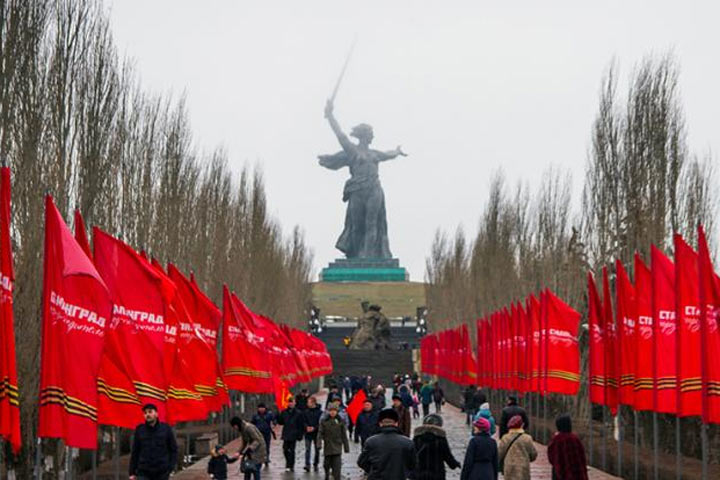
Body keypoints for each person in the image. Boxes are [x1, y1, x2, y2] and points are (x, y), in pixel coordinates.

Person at [357, 408, 416, 479]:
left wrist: (373, 470)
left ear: (380, 424)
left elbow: (361, 462)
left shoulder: (371, 441)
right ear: (396, 423)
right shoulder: (408, 443)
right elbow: (413, 464)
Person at [129, 403, 178, 480]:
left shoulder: (166, 429)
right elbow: (135, 452)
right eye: (145, 413)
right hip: (144, 471)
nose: (147, 415)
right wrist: (132, 472)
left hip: (162, 472)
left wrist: (171, 467)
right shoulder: (140, 430)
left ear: (156, 414)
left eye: (150, 412)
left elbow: (173, 449)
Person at [412, 414, 460, 480]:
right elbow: (447, 455)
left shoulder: (417, 437)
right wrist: (454, 464)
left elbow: (411, 455)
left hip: (419, 474)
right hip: (437, 474)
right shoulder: (441, 439)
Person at [547, 414, 588, 480]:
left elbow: (551, 457)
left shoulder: (556, 439)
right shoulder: (575, 438)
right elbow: (582, 456)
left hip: (561, 472)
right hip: (576, 472)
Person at [498, 415, 537, 480]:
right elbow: (533, 455)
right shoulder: (527, 438)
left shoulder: (505, 438)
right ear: (521, 425)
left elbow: (499, 454)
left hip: (509, 467)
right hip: (523, 467)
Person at [317, 404, 350, 480]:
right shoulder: (324, 421)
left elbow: (344, 435)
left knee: (337, 467)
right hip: (328, 446)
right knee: (326, 464)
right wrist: (319, 443)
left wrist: (346, 447)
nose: (332, 412)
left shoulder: (340, 421)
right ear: (328, 411)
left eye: (334, 411)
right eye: (331, 410)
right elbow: (320, 433)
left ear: (337, 411)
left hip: (337, 447)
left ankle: (337, 477)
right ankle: (327, 474)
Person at [277, 397, 306, 472]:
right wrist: (278, 414)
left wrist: (300, 435)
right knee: (285, 449)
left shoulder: (298, 413)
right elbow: (281, 422)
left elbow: (301, 425)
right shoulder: (284, 412)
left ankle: (291, 465)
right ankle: (288, 462)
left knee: (292, 450)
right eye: (289, 402)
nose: (290, 403)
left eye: (292, 402)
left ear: (295, 403)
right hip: (286, 433)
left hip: (294, 434)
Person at [303, 396, 323, 472]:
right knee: (307, 449)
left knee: (317, 449)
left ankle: (316, 463)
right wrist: (306, 427)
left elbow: (321, 423)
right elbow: (303, 421)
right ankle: (307, 464)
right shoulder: (306, 411)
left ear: (313, 403)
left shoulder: (320, 412)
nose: (307, 404)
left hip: (317, 433)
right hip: (308, 433)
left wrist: (314, 428)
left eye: (309, 402)